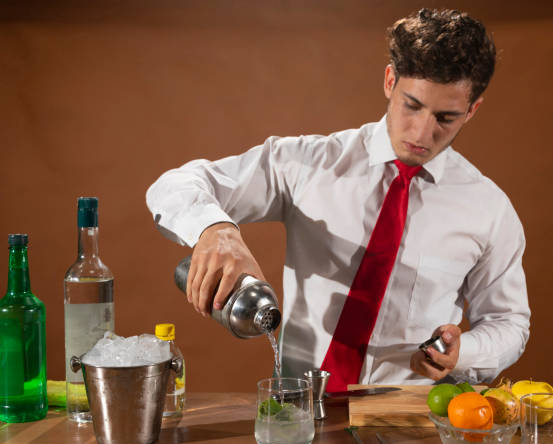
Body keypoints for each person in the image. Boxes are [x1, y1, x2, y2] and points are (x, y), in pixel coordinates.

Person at [146, 8, 530, 389]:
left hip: (406, 423)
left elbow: (509, 323)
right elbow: (174, 185)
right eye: (411, 105)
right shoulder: (307, 164)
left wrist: (465, 351)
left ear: (472, 110)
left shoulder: (488, 209)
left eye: (446, 118)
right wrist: (215, 230)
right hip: (300, 411)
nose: (422, 132)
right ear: (389, 80)